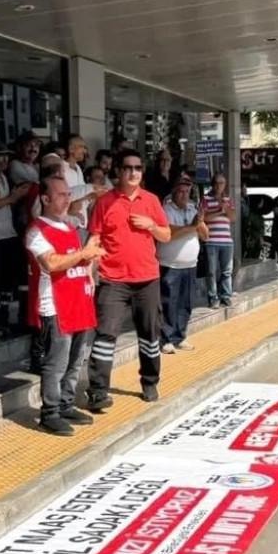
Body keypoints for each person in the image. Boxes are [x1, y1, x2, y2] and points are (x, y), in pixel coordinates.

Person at [86, 149, 171, 408]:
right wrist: (90, 268)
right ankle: (98, 391)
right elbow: (94, 238)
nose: (134, 172)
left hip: (147, 279)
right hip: (113, 280)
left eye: (138, 168)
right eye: (128, 168)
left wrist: (151, 225)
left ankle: (150, 382)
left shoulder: (152, 200)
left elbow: (166, 235)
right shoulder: (105, 202)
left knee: (150, 335)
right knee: (105, 336)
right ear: (118, 171)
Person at [26, 176, 103, 435]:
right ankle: (49, 412)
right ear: (45, 199)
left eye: (68, 194)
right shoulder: (37, 230)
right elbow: (51, 263)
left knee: (75, 361)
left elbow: (78, 262)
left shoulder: (69, 227)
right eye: (61, 194)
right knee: (56, 362)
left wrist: (91, 261)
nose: (67, 199)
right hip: (56, 306)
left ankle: (66, 403)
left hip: (79, 302)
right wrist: (84, 254)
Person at [0, 145, 30, 332]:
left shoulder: (3, 177)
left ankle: (6, 319)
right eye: (0, 156)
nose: (4, 160)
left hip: (8, 232)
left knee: (8, 280)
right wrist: (12, 198)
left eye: (6, 157)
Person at [159, 176, 207, 353]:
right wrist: (192, 226)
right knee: (168, 303)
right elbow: (169, 234)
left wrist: (200, 222)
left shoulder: (193, 209)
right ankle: (166, 339)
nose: (184, 195)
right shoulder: (166, 210)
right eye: (180, 191)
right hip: (170, 265)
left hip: (190, 265)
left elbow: (205, 236)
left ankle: (180, 336)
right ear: (173, 193)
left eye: (187, 192)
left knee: (185, 303)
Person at [200, 172, 235, 307]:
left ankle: (226, 295)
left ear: (225, 185)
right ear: (212, 184)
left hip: (227, 241)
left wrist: (226, 209)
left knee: (227, 271)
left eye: (222, 183)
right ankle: (213, 297)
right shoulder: (205, 199)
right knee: (211, 271)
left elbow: (233, 218)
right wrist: (220, 211)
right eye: (217, 183)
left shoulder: (228, 199)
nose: (219, 186)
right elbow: (203, 218)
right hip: (211, 241)